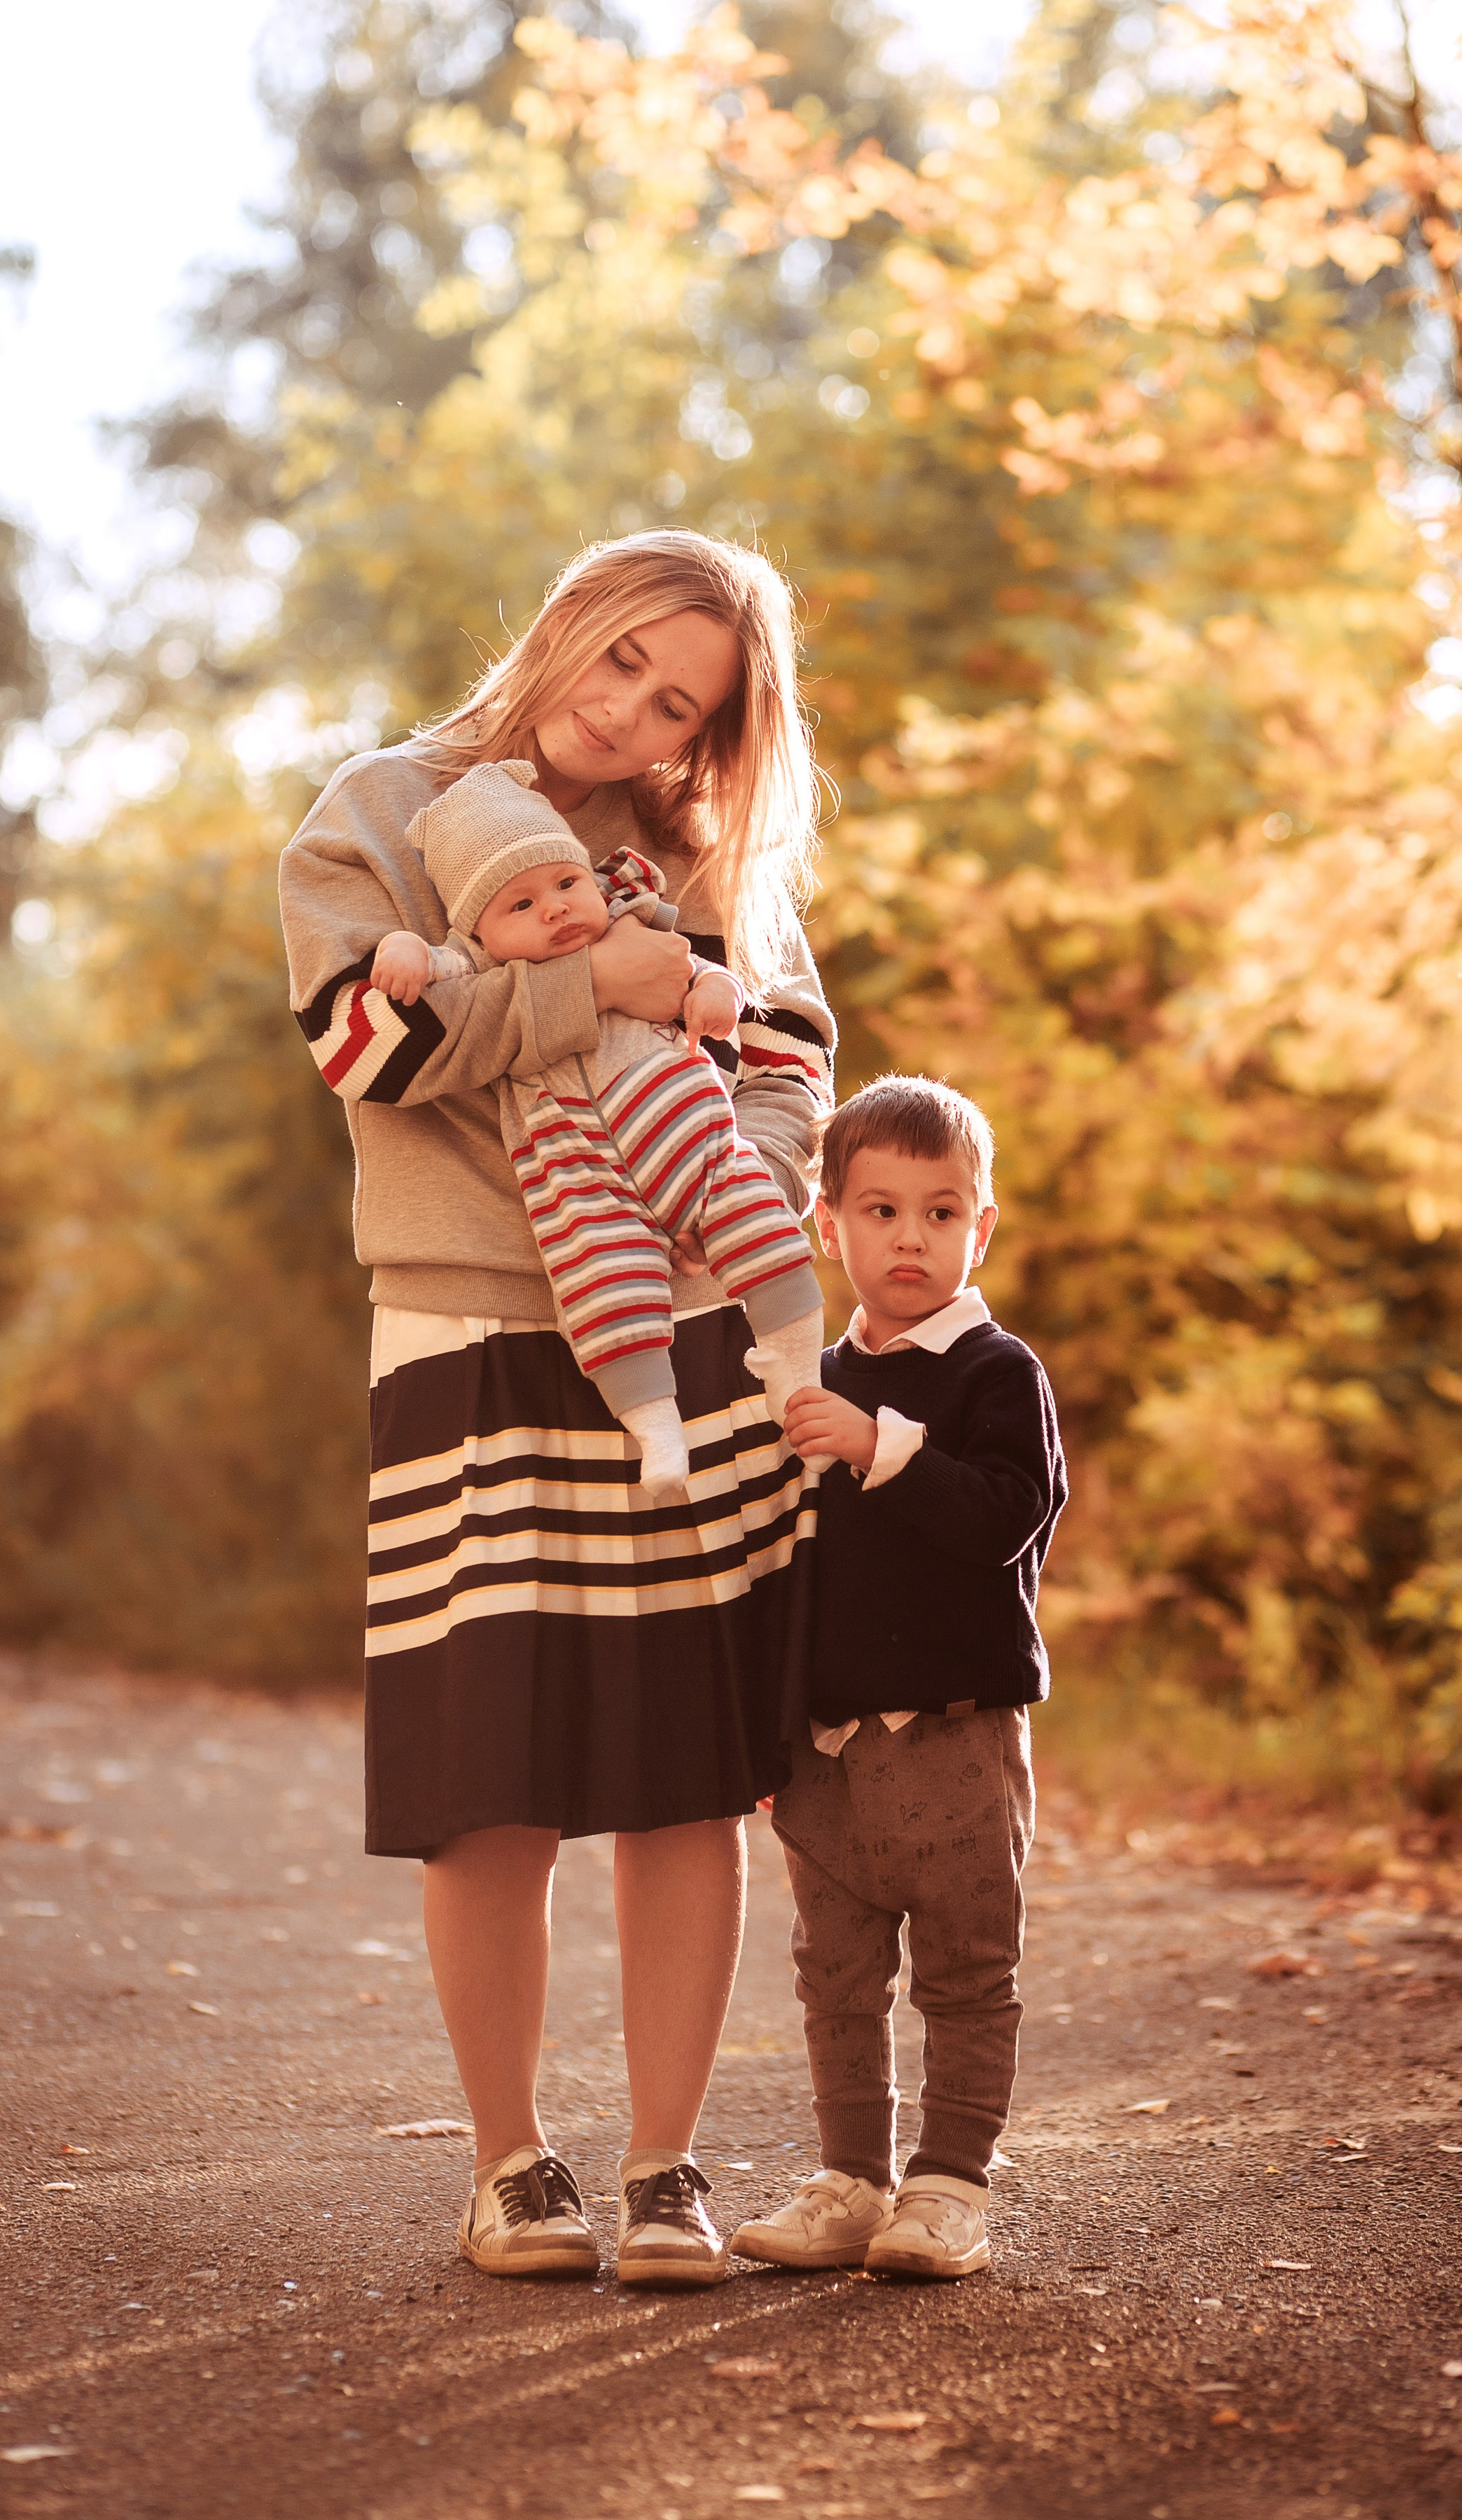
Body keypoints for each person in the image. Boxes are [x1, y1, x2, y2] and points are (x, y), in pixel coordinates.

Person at [279, 531, 835, 2291]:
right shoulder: (380, 808)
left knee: (684, 1776)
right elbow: (366, 1055)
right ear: (563, 629)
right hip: (461, 1330)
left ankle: (667, 2165)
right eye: (619, 666)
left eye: (678, 705)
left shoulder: (700, 861)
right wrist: (586, 986)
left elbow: (787, 1057)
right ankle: (512, 2162)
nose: (630, 717)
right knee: (490, 1775)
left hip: (683, 1350)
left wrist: (729, 1210)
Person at [731, 1075, 1066, 2281]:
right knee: (835, 1975)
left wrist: (882, 1447)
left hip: (959, 1739)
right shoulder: (808, 1382)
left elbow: (1005, 1519)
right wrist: (764, 1738)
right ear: (830, 1223)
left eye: (939, 1212)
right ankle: (852, 2182)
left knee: (970, 1969)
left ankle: (949, 2187)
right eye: (881, 1211)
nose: (909, 1237)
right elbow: (783, 1579)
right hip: (830, 1749)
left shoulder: (995, 1374)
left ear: (981, 1230)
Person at [370, 761, 828, 1504]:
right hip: (574, 1166)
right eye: (521, 903)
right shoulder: (480, 964)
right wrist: (404, 951)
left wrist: (715, 994)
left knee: (761, 1226)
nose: (554, 909)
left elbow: (705, 973)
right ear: (482, 929)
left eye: (564, 883)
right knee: (603, 1292)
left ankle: (796, 1368)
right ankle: (657, 1432)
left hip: (688, 1130)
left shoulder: (635, 916)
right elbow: (434, 972)